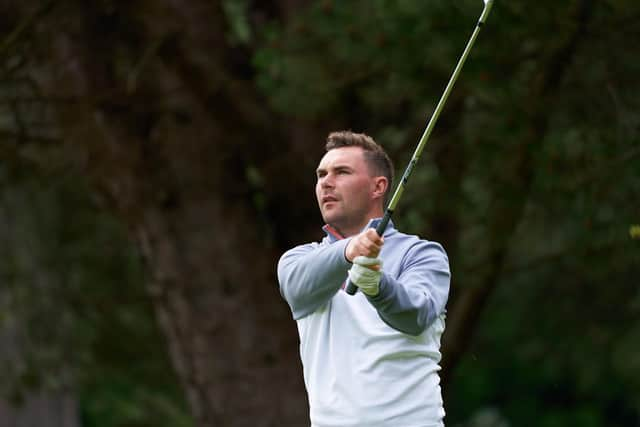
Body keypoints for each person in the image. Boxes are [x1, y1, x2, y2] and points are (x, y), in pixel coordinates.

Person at [277, 130, 451, 427]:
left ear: (378, 187)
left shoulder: (421, 254)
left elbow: (415, 316)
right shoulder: (299, 259)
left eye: (341, 172)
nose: (326, 183)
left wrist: (378, 286)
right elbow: (296, 288)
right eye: (321, 175)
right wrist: (349, 251)